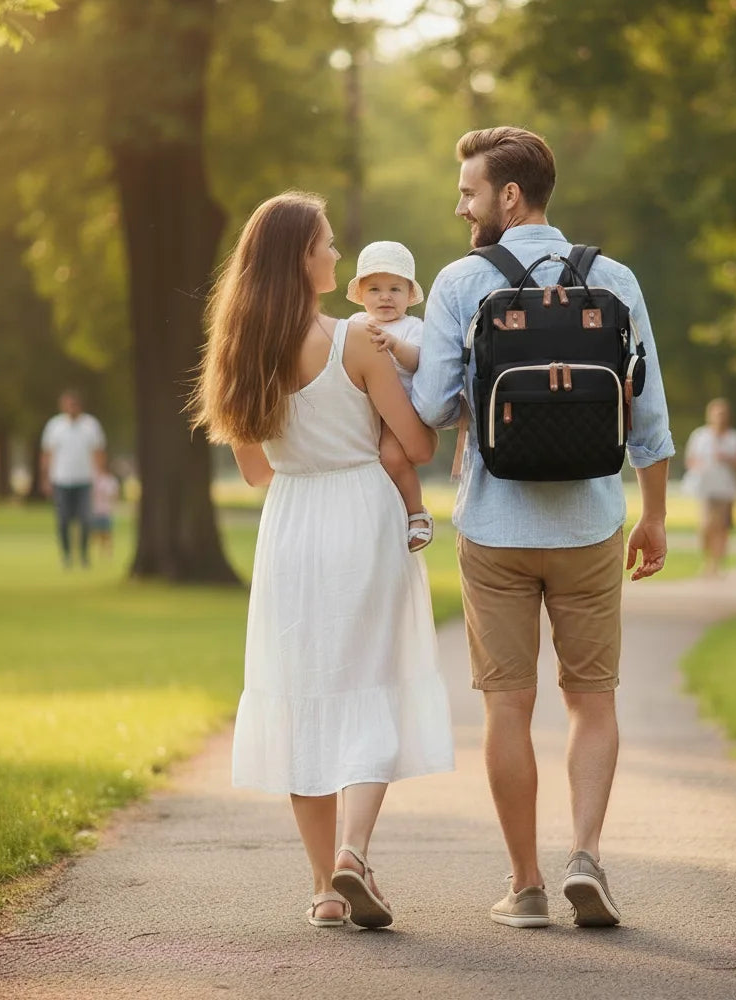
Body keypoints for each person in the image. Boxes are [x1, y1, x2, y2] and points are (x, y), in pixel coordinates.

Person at [412, 127, 674, 929]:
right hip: (591, 526)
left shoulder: (461, 281)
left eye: (469, 192)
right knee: (592, 701)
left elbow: (433, 407)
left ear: (509, 195)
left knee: (507, 708)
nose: (462, 207)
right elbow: (649, 416)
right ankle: (585, 856)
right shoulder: (615, 279)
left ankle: (525, 886)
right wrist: (655, 517)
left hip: (495, 528)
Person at [190, 192, 454, 930]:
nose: (338, 255)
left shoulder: (239, 353)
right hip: (363, 513)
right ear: (302, 259)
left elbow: (254, 471)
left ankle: (323, 891)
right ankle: (354, 853)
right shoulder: (359, 341)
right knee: (372, 681)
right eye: (328, 244)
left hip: (292, 525)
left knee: (304, 694)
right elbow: (418, 445)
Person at [347, 240, 433, 551]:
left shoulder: (412, 327)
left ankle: (416, 513)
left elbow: (418, 361)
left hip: (399, 413)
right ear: (361, 295)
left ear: (409, 295)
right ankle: (375, 516)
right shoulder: (355, 324)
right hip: (362, 410)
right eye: (375, 289)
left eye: (395, 289)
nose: (385, 296)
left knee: (393, 458)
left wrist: (394, 345)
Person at [39, 390, 106, 568]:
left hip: (85, 479)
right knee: (63, 520)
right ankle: (67, 555)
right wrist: (45, 478)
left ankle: (83, 554)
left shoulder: (91, 425)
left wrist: (100, 476)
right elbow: (47, 454)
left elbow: (98, 452)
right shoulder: (55, 426)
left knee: (85, 519)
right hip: (61, 479)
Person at [684, 398, 736, 577]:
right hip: (705, 487)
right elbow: (690, 459)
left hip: (726, 487)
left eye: (723, 414)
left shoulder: (733, 437)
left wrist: (727, 458)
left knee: (722, 527)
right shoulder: (700, 436)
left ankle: (718, 564)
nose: (720, 417)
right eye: (717, 414)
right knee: (706, 526)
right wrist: (698, 467)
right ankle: (708, 559)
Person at [90, 463, 120, 560]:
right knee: (94, 534)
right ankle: (93, 554)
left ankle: (107, 554)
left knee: (106, 534)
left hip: (106, 510)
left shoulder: (110, 480)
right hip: (94, 511)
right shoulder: (93, 478)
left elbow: (115, 495)